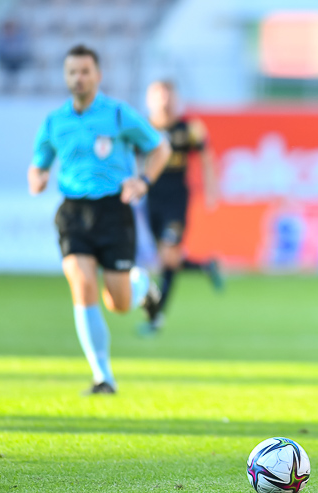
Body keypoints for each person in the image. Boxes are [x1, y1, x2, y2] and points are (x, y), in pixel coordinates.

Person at [28, 45, 172, 394]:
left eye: (85, 71)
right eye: (72, 72)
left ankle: (141, 287)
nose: (78, 78)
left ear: (98, 75)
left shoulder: (118, 114)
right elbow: (38, 163)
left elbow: (160, 148)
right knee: (82, 283)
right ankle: (102, 376)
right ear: (66, 77)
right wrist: (37, 178)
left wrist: (143, 180)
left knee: (118, 302)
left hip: (113, 211)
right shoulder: (55, 122)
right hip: (73, 212)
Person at [142, 79, 223, 332]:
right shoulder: (143, 128)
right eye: (159, 96)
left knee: (168, 257)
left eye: (168, 96)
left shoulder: (189, 128)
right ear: (150, 100)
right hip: (151, 199)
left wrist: (211, 190)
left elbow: (206, 156)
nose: (164, 101)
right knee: (168, 259)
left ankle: (156, 318)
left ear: (175, 99)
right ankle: (205, 267)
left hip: (176, 199)